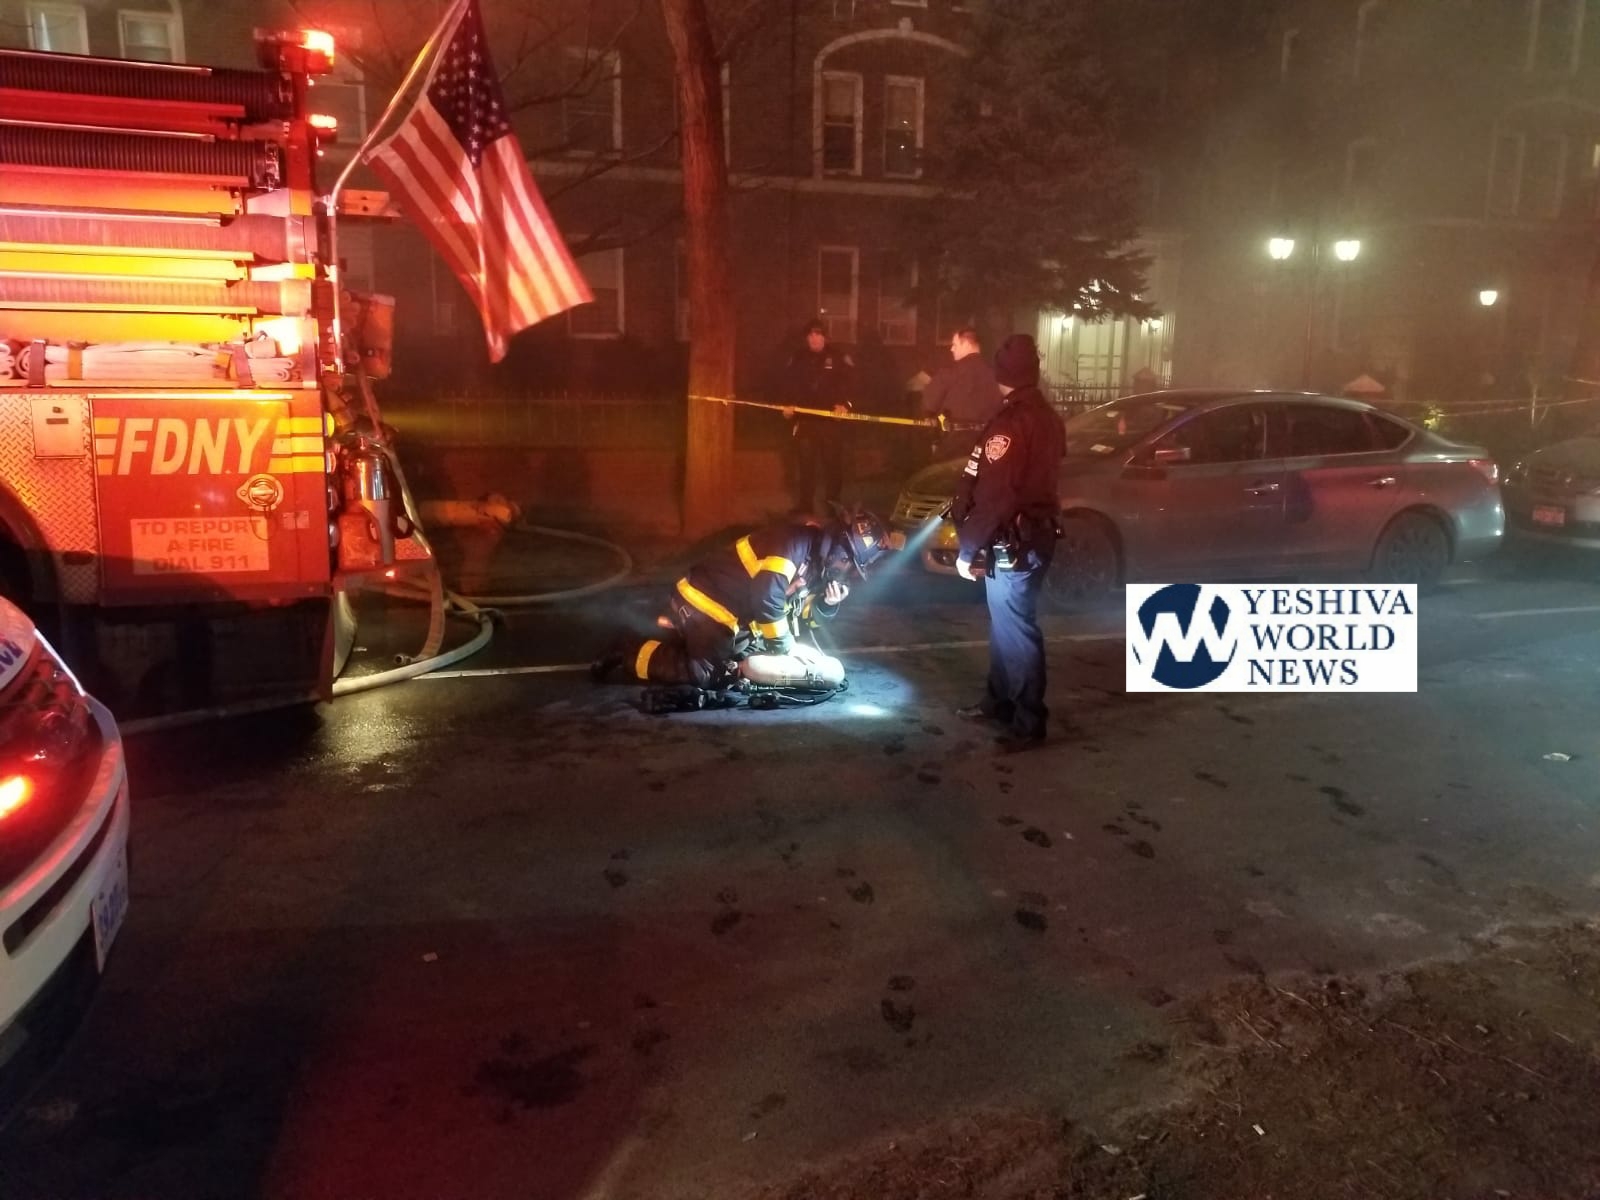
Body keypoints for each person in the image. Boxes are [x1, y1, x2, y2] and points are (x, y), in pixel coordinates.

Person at [591, 509, 888, 694]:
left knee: (736, 660)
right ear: (841, 550)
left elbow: (801, 617)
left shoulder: (816, 566)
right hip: (706, 604)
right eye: (849, 564)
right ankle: (627, 652)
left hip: (735, 619)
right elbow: (767, 599)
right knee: (707, 674)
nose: (846, 572)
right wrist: (785, 649)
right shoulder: (794, 544)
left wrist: (827, 604)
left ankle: (678, 640)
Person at [951, 333, 1066, 752]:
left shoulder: (1011, 423)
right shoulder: (1048, 417)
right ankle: (998, 701)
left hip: (1016, 542)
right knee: (1007, 625)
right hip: (1033, 536)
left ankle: (1029, 720)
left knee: (1017, 629)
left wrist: (968, 549)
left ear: (1003, 375)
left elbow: (997, 495)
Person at [783, 321, 855, 512]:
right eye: (811, 335)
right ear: (806, 338)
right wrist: (788, 405)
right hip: (806, 421)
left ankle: (833, 506)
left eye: (818, 334)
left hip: (830, 421)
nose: (814, 338)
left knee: (832, 465)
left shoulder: (838, 357)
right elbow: (788, 385)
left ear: (825, 337)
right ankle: (805, 505)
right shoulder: (798, 358)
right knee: (806, 464)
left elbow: (852, 385)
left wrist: (845, 405)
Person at [922, 328, 1000, 460]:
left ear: (967, 344)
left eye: (955, 345)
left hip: (955, 445)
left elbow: (929, 404)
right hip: (988, 443)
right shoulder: (997, 375)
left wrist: (931, 421)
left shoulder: (949, 372)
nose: (951, 349)